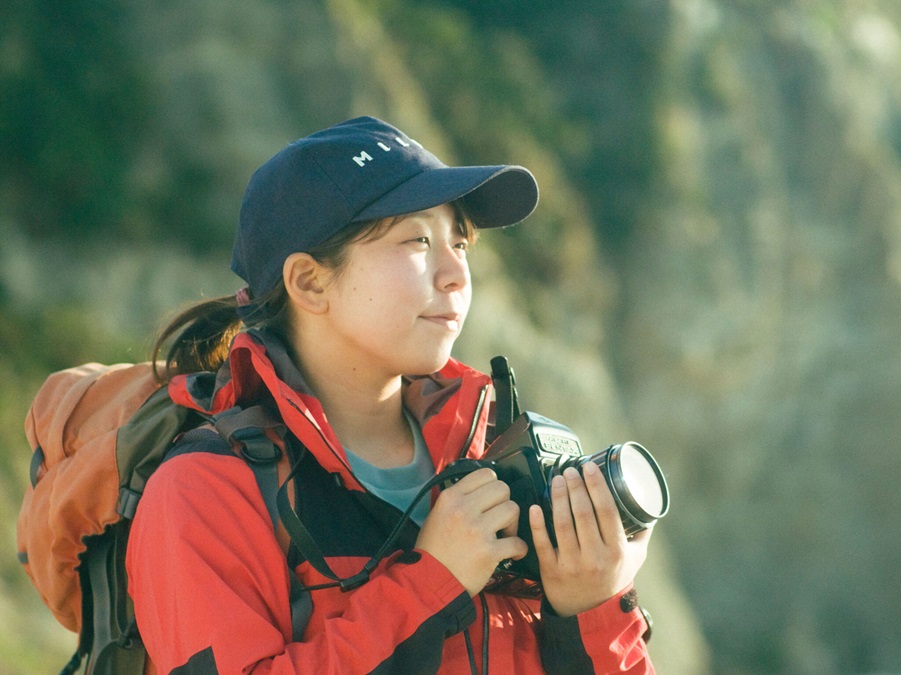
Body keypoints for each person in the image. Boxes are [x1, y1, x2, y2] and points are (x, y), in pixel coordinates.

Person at [127, 116, 655, 674]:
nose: (456, 274)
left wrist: (593, 606)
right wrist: (430, 583)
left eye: (459, 241)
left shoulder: (488, 462)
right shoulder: (207, 494)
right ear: (308, 282)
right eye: (418, 241)